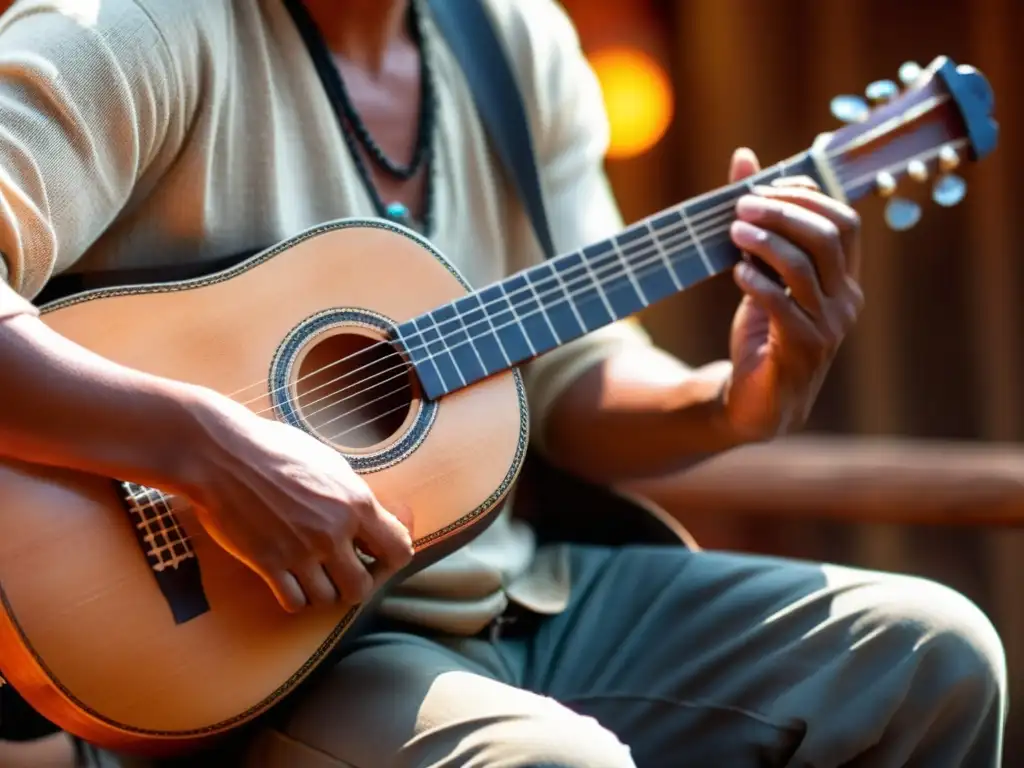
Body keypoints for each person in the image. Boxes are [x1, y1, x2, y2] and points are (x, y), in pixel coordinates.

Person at [0, 0, 1006, 765]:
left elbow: (571, 376)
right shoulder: (133, 31)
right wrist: (200, 449)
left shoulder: (516, 40)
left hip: (525, 592)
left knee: (934, 656)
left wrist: (739, 399)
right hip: (273, 650)